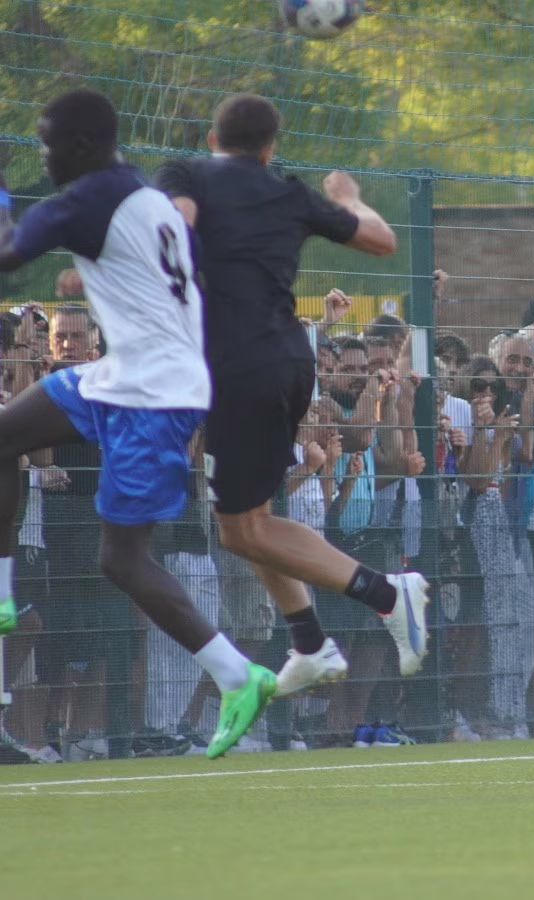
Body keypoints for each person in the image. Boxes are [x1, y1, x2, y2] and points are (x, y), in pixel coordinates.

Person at [0, 89, 274, 760]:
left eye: (47, 143)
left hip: (152, 393)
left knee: (122, 561)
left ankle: (237, 674)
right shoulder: (146, 196)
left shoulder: (87, 199)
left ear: (78, 146)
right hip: (124, 374)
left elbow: (6, 253)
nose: (44, 156)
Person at [152, 92, 429, 702]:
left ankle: (388, 594)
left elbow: (177, 225)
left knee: (240, 530)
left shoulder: (187, 174)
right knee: (253, 520)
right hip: (289, 362)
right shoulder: (289, 193)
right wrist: (348, 198)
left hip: (239, 368)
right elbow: (381, 240)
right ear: (270, 149)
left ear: (212, 140)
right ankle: (308, 641)